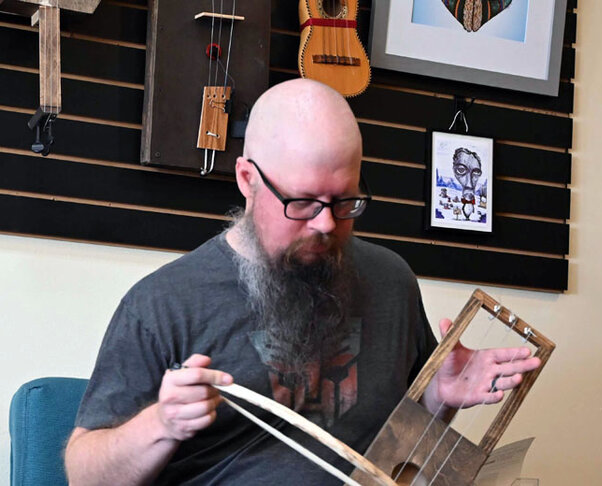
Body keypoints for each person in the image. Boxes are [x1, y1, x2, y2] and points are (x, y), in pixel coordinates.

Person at [64, 79, 540, 485]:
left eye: (344, 201)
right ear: (248, 179)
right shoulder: (164, 303)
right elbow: (83, 472)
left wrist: (438, 397)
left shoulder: (391, 279)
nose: (327, 224)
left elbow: (403, 452)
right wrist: (161, 424)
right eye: (304, 203)